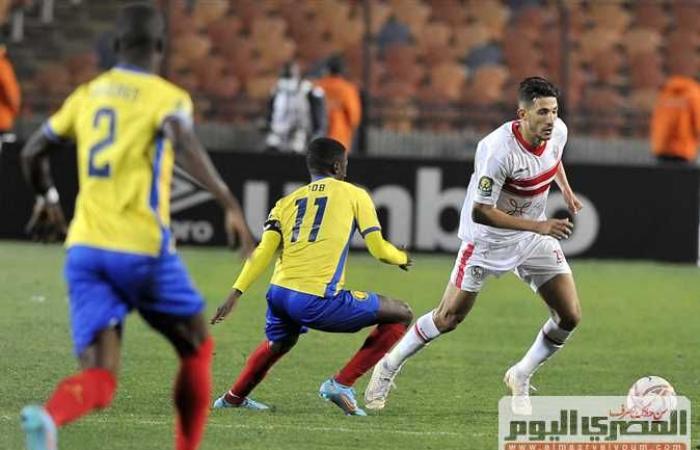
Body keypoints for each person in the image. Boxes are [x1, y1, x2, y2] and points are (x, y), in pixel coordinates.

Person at [18, 4, 255, 450]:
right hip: (141, 251)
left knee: (100, 377)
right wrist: (228, 201)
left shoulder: (87, 93)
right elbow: (182, 139)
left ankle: (50, 419)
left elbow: (32, 152)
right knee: (197, 349)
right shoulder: (166, 97)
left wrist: (47, 198)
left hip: (85, 251)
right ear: (160, 48)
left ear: (118, 46)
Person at [364, 77, 583, 415]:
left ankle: (520, 374)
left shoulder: (558, 131)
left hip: (531, 238)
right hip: (487, 242)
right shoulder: (498, 151)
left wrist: (564, 189)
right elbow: (482, 212)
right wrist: (540, 224)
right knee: (448, 317)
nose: (551, 120)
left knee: (569, 315)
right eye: (542, 112)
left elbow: (554, 158)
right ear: (522, 114)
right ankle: (388, 366)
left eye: (554, 111)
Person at [210, 137, 413, 416]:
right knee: (401, 313)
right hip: (315, 299)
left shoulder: (286, 202)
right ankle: (341, 384)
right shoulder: (354, 194)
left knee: (281, 342)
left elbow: (263, 251)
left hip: (279, 294)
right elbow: (379, 250)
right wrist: (402, 257)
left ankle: (233, 398)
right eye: (345, 164)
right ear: (337, 166)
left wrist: (236, 292)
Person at [264, 60, 326, 153]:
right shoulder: (277, 90)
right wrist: (268, 123)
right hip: (278, 132)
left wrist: (318, 130)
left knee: (296, 152)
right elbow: (271, 110)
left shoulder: (307, 89)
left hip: (299, 132)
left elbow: (318, 110)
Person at [314, 55, 361, 152]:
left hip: (317, 138)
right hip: (339, 138)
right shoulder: (348, 89)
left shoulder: (317, 86)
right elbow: (354, 117)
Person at [650, 76, 700, 163]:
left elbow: (656, 119)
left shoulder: (665, 92)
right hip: (683, 149)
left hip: (662, 147)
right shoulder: (694, 93)